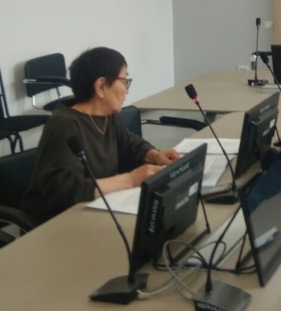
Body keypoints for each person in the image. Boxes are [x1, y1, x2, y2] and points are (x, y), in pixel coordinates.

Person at [21, 47, 180, 225]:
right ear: (101, 86)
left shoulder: (105, 115)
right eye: (124, 81)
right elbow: (65, 190)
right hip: (58, 221)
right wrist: (129, 180)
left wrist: (155, 155)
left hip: (94, 208)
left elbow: (129, 143)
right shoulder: (63, 125)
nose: (127, 90)